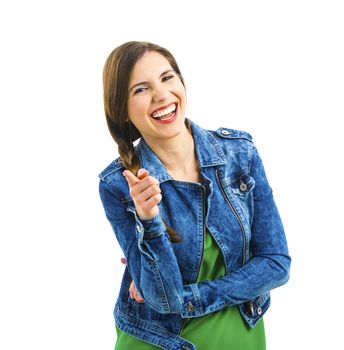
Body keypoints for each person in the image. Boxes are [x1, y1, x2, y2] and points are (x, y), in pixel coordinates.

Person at [98, 41, 291, 350]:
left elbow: (276, 263)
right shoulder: (118, 184)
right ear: (121, 110)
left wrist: (190, 299)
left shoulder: (240, 153)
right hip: (156, 341)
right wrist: (149, 220)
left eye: (167, 77)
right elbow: (163, 298)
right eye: (140, 89)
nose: (161, 95)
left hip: (239, 336)